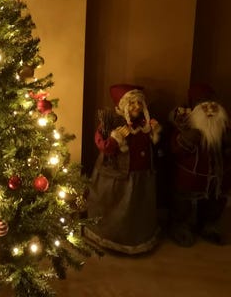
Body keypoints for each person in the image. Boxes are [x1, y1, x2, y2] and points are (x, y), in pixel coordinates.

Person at [84, 84, 161, 254]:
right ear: (123, 105)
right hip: (117, 177)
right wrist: (115, 139)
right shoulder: (111, 123)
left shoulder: (144, 123)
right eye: (132, 103)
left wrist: (154, 132)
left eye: (139, 103)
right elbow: (103, 146)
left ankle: (136, 238)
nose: (137, 107)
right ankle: (111, 238)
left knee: (138, 208)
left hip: (141, 175)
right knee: (115, 208)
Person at [168, 83, 231, 246]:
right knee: (183, 203)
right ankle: (181, 225)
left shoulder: (224, 127)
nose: (210, 111)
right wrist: (187, 138)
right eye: (204, 107)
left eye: (213, 106)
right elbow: (175, 149)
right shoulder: (185, 125)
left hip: (217, 179)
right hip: (191, 178)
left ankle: (209, 225)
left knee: (214, 202)